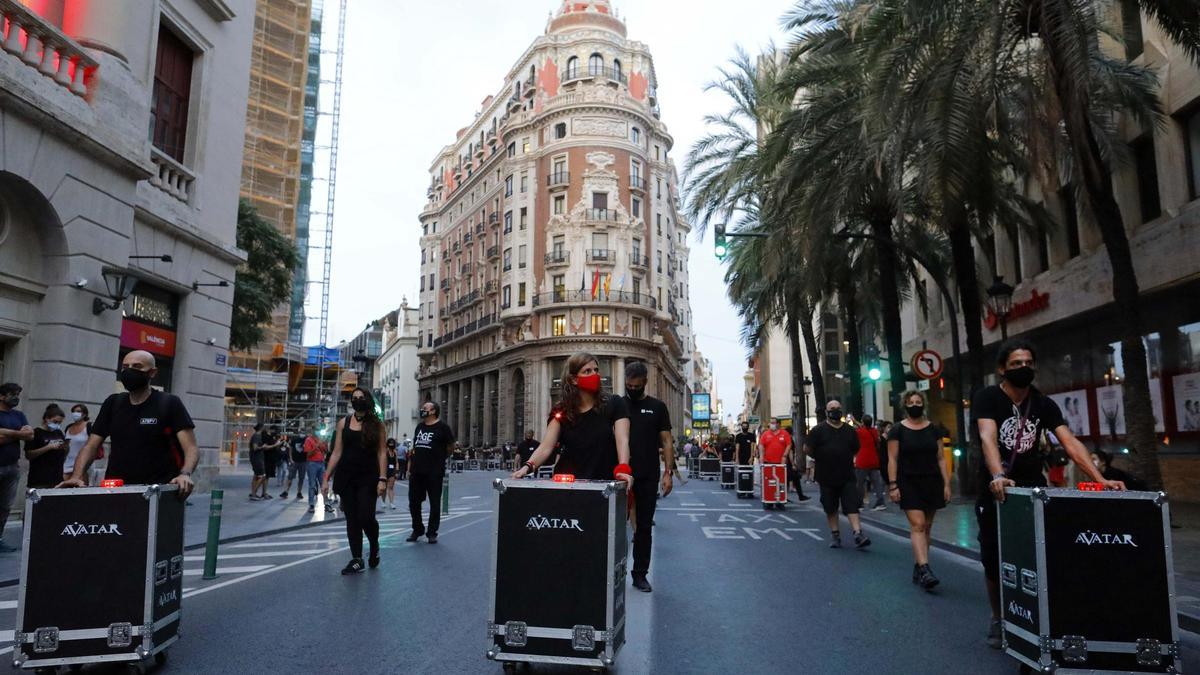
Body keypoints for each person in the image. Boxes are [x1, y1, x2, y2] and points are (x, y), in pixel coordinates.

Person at [974, 339, 1124, 648]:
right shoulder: (988, 398)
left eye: (1028, 362)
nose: (1023, 368)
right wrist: (998, 476)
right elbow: (988, 437)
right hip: (995, 490)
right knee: (993, 557)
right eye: (1016, 364)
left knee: (1036, 553)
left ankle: (1034, 613)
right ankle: (998, 616)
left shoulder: (1043, 404)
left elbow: (1069, 442)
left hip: (1030, 489)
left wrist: (1100, 478)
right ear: (1003, 369)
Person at [59, 350, 198, 498]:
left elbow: (191, 447)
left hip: (158, 490)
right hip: (117, 489)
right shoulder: (113, 403)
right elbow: (91, 445)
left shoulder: (168, 403)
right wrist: (77, 475)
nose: (129, 371)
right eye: (125, 367)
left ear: (152, 372)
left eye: (137, 366)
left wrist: (185, 474)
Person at [512, 352, 633, 492]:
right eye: (587, 371)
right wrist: (527, 467)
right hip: (568, 485)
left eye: (596, 370)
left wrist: (623, 468)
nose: (594, 374)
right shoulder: (561, 410)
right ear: (574, 379)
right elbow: (546, 446)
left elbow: (622, 440)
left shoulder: (615, 403)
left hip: (604, 484)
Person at [886, 391, 952, 591]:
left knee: (928, 526)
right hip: (908, 482)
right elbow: (892, 459)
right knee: (918, 524)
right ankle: (925, 569)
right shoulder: (897, 430)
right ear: (904, 405)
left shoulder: (934, 429)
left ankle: (919, 564)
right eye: (911, 402)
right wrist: (893, 485)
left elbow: (941, 457)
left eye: (918, 402)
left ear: (923, 404)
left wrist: (947, 484)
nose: (915, 405)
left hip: (932, 481)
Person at [322, 388, 387, 574]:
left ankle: (374, 545)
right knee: (352, 519)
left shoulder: (377, 424)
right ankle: (357, 558)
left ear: (368, 400)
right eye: (354, 398)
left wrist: (382, 478)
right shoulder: (344, 422)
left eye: (361, 397)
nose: (358, 400)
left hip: (369, 476)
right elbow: (336, 452)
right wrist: (326, 478)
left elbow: (382, 452)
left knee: (366, 517)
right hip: (346, 476)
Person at [621, 361, 674, 593]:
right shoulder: (617, 405)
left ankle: (640, 574)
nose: (632, 389)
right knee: (608, 525)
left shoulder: (658, 407)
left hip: (647, 476)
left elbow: (666, 441)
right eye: (628, 386)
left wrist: (668, 473)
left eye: (636, 386)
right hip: (618, 476)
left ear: (644, 383)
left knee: (643, 528)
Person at [805, 398, 871, 549]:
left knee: (852, 504)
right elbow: (807, 449)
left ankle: (857, 533)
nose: (835, 410)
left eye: (837, 407)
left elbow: (855, 448)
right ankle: (835, 534)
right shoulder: (818, 430)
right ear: (827, 412)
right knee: (830, 506)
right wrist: (820, 457)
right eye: (832, 408)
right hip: (826, 475)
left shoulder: (849, 431)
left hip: (846, 474)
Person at [407, 400, 455, 543]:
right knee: (414, 502)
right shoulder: (419, 427)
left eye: (425, 408)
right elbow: (416, 446)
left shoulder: (443, 428)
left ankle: (432, 532)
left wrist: (440, 458)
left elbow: (450, 447)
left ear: (433, 411)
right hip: (417, 471)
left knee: (434, 503)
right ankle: (417, 529)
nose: (422, 409)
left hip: (434, 472)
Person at [0, 383, 32, 553]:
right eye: (12, 394)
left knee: (5, 506)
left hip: (12, 467)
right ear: (1, 396)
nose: (16, 397)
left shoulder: (19, 415)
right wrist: (18, 434)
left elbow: (30, 435)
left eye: (18, 394)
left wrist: (6, 433)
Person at [759, 419, 807, 505]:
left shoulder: (784, 434)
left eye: (773, 423)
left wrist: (785, 456)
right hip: (768, 462)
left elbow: (789, 445)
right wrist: (761, 456)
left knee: (782, 481)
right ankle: (769, 498)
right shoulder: (765, 434)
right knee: (770, 481)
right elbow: (761, 445)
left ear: (778, 424)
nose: (772, 424)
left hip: (781, 463)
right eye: (771, 423)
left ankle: (781, 497)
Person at [25, 404, 67, 489]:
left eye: (60, 423)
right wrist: (49, 447)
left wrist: (64, 447)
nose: (57, 425)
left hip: (57, 477)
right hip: (40, 478)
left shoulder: (58, 432)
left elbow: (64, 450)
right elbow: (29, 454)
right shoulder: (36, 433)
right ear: (47, 419)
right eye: (55, 422)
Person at [854, 414, 886, 511]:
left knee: (860, 483)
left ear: (863, 422)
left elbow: (859, 430)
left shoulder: (859, 432)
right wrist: (857, 422)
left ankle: (859, 504)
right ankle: (881, 502)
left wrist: (854, 422)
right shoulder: (874, 431)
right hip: (874, 460)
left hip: (862, 460)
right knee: (876, 483)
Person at [63, 404, 92, 484]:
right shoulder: (69, 427)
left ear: (84, 414)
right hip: (67, 462)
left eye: (78, 411)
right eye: (74, 411)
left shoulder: (89, 426)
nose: (75, 413)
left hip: (83, 463)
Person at [304, 430, 331, 513]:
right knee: (312, 485)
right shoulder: (308, 440)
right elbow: (308, 454)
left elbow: (327, 452)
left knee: (324, 484)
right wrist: (317, 445)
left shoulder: (321, 439)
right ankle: (311, 505)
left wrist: (325, 444)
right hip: (312, 464)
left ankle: (327, 504)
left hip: (321, 463)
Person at [281, 430, 308, 499]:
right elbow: (291, 449)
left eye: (303, 433)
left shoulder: (307, 440)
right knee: (290, 477)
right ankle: (286, 491)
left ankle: (299, 492)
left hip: (303, 462)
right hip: (294, 461)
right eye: (301, 433)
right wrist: (290, 458)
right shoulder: (295, 440)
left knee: (301, 478)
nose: (302, 434)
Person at [259, 425, 284, 497]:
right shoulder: (265, 437)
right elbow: (265, 447)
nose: (276, 433)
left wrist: (277, 444)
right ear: (272, 430)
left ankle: (264, 492)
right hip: (266, 458)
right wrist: (275, 445)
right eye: (275, 431)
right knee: (264, 476)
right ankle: (261, 492)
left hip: (271, 459)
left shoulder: (272, 437)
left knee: (267, 476)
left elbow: (275, 447)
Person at [248, 423, 267, 501]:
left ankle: (254, 493)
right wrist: (262, 447)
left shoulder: (257, 436)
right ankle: (253, 493)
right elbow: (255, 448)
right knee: (262, 476)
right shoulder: (256, 436)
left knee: (256, 476)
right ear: (261, 428)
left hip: (257, 458)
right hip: (257, 459)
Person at [384, 438, 399, 510]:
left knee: (391, 487)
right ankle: (383, 501)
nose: (391, 444)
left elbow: (396, 462)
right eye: (390, 443)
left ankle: (391, 503)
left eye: (392, 443)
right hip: (385, 470)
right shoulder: (385, 451)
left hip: (392, 471)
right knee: (384, 487)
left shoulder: (395, 452)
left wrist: (396, 471)